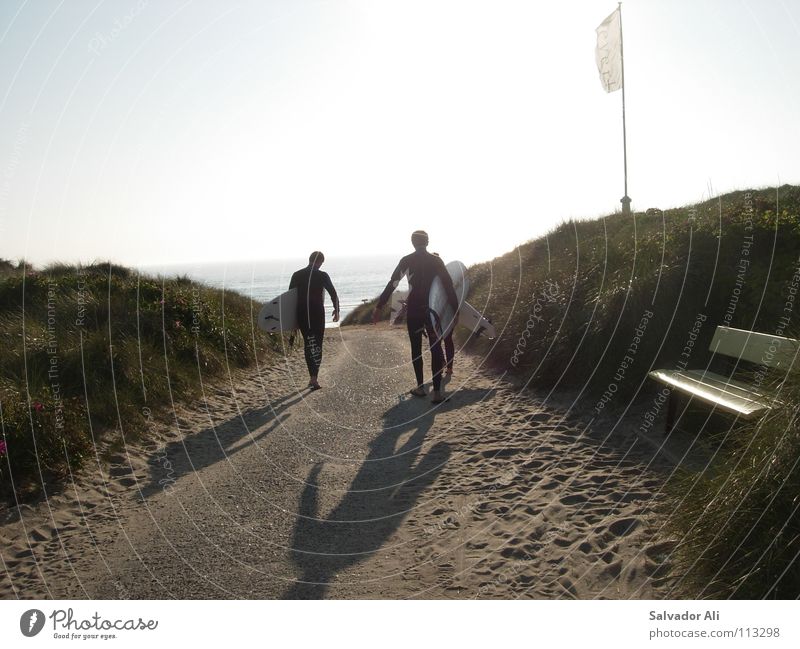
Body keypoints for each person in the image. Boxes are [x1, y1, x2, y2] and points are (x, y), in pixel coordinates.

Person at [373, 231, 458, 404]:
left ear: (412, 243)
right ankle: (437, 393)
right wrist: (454, 310)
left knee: (416, 348)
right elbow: (448, 286)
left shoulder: (406, 260)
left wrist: (379, 306)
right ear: (427, 242)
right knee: (435, 347)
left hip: (414, 311)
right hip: (431, 310)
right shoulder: (436, 261)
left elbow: (393, 283)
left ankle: (420, 387)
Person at [289, 251, 339, 390]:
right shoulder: (322, 275)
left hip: (302, 313)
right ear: (321, 262)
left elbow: (290, 298)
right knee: (317, 343)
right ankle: (314, 378)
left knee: (308, 343)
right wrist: (337, 310)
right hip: (317, 313)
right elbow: (333, 293)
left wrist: (292, 320)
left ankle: (312, 377)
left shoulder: (297, 274)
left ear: (309, 260)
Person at [433, 252, 455, 376]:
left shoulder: (430, 279)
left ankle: (443, 363)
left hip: (437, 313)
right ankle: (448, 367)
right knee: (447, 340)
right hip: (447, 312)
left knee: (437, 340)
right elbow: (453, 295)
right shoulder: (446, 277)